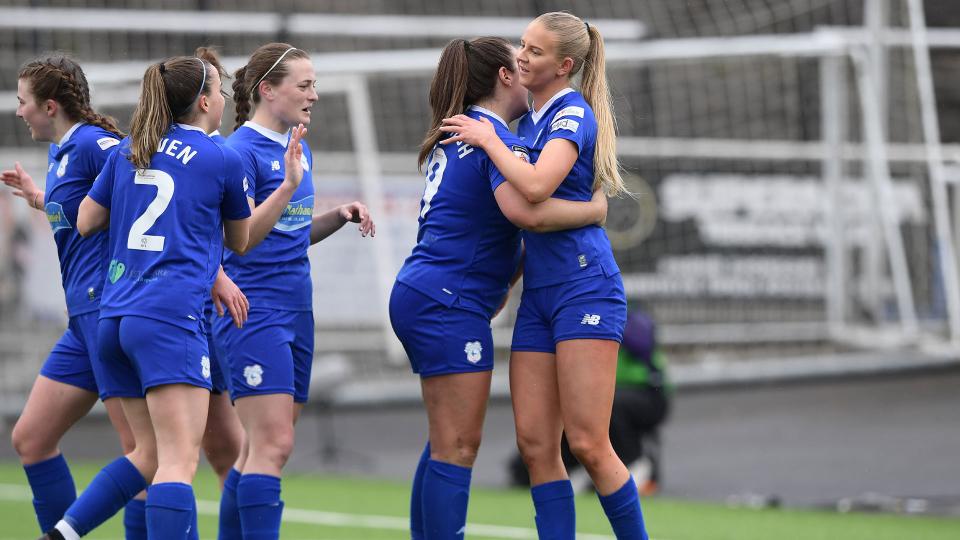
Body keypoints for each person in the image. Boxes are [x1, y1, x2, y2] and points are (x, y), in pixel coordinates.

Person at [441, 12, 650, 539]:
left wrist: (489, 139)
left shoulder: (570, 115)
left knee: (588, 444)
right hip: (539, 298)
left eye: (534, 50)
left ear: (565, 66)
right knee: (536, 446)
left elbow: (535, 189)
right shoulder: (528, 123)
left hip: (586, 289)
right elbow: (524, 223)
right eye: (523, 45)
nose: (521, 56)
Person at [390, 36, 608, 539]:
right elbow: (525, 210)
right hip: (447, 301)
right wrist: (596, 210)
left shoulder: (471, 133)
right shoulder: (495, 139)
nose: (528, 65)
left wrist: (503, 278)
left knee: (444, 440)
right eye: (520, 59)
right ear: (505, 78)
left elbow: (483, 226)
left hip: (428, 293)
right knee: (459, 446)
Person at [41, 47, 252, 540]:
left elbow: (88, 221)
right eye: (219, 91)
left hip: (114, 317)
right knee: (178, 463)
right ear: (203, 102)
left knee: (147, 455)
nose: (223, 99)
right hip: (169, 315)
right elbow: (239, 241)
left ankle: (65, 531)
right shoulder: (221, 155)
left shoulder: (129, 148)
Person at [214, 42, 375, 540]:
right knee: (275, 444)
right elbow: (235, 243)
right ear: (267, 90)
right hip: (251, 311)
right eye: (304, 85)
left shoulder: (297, 146)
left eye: (314, 84)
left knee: (257, 450)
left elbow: (286, 233)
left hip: (295, 310)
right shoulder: (237, 152)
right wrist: (285, 186)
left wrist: (336, 216)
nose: (315, 95)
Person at [1, 54, 146, 537]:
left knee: (142, 456)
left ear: (48, 105)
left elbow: (143, 175)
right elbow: (86, 208)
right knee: (31, 438)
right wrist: (39, 196)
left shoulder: (93, 143)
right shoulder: (63, 151)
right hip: (81, 322)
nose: (18, 111)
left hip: (109, 311)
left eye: (22, 102)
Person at [508, 309, 671, 497]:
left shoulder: (623, 311)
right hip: (600, 390)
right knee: (558, 418)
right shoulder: (565, 310)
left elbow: (642, 341)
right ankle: (578, 468)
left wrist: (597, 325)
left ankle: (635, 463)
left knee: (613, 406)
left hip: (645, 391)